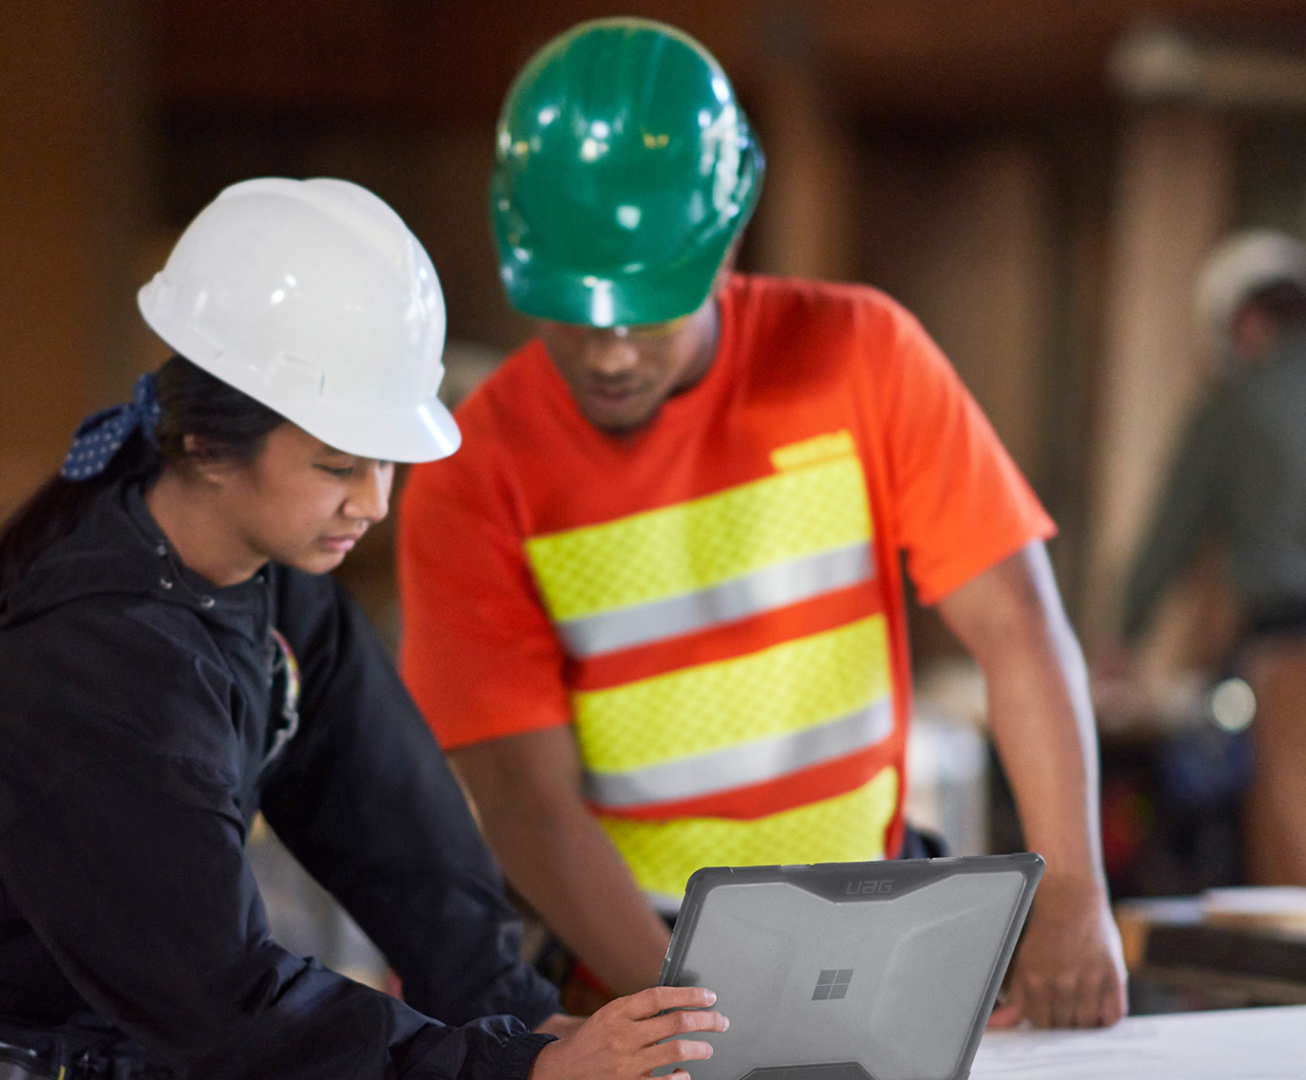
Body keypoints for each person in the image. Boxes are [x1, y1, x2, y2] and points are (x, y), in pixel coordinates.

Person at [0, 178, 728, 1080]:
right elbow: (226, 1006)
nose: (372, 502)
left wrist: (522, 1019)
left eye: (386, 464)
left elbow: (400, 838)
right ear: (205, 442)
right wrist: (505, 1068)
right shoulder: (91, 668)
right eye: (336, 465)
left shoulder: (281, 592)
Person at [397, 18, 1126, 1029]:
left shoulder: (864, 356)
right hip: (627, 957)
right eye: (573, 312)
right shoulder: (470, 471)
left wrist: (1075, 895)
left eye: (645, 310)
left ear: (727, 236)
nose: (608, 355)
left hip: (873, 929)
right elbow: (524, 800)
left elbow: (1017, 626)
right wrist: (689, 1013)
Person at [1123, 229, 1306, 886]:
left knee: (1288, 885)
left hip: (1287, 658)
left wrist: (1123, 636)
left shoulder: (1235, 405)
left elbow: (1174, 529)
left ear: (1248, 321)